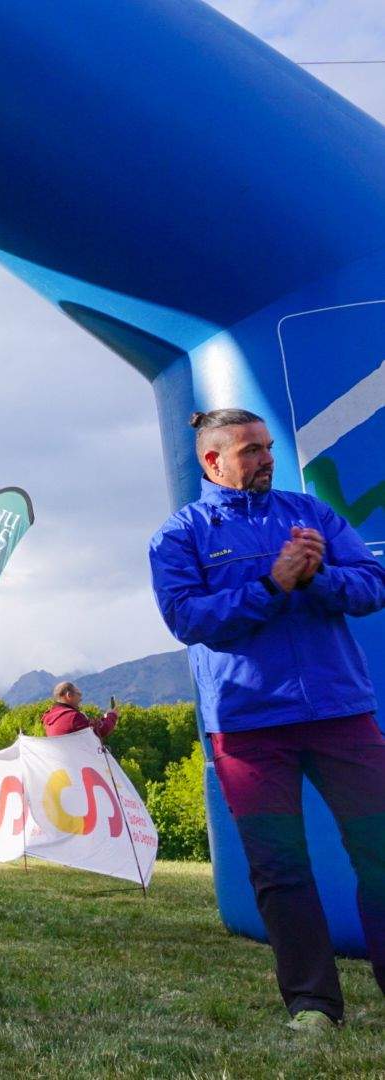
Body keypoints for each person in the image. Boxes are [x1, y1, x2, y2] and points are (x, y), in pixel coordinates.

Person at [150, 407, 385, 1033]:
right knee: (280, 870)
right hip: (248, 726)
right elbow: (188, 619)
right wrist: (272, 585)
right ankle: (313, 1007)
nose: (265, 459)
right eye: (249, 450)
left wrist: (319, 577)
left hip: (340, 712)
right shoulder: (180, 535)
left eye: (267, 447)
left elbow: (372, 585)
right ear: (212, 461)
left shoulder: (311, 514)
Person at [42, 681, 118, 739]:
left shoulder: (49, 717)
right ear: (69, 695)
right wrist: (112, 715)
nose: (81, 698)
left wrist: (104, 718)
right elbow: (101, 731)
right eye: (78, 693)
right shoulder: (73, 717)